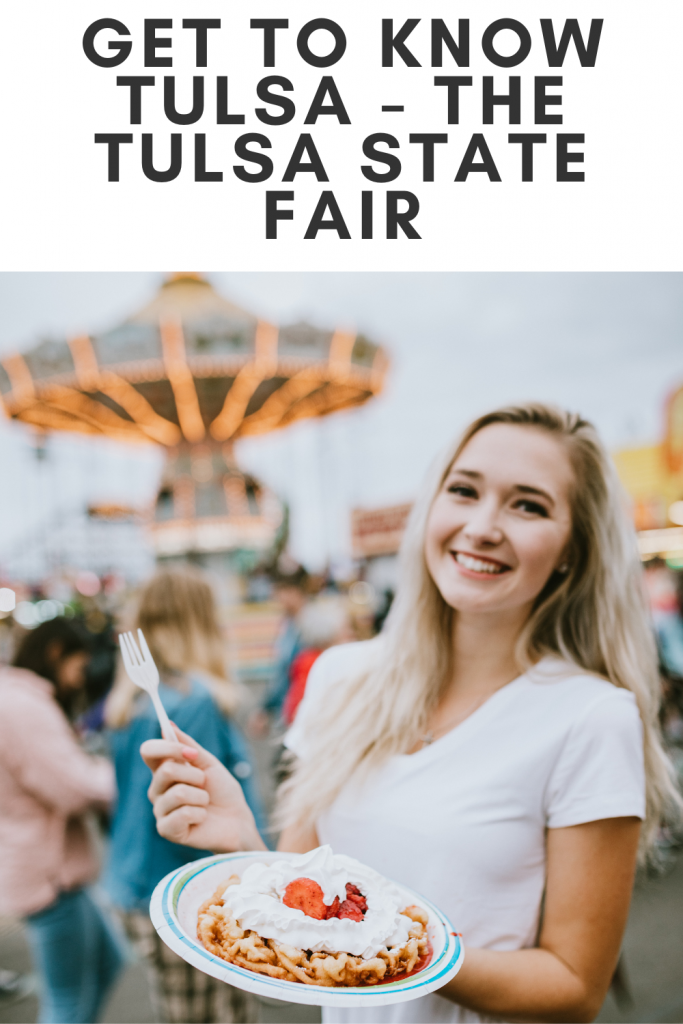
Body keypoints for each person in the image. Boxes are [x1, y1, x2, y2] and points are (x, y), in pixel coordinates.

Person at [141, 404, 681, 1024]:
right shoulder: (343, 677)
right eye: (463, 490)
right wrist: (240, 843)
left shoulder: (592, 717)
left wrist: (397, 950)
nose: (481, 526)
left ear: (572, 549)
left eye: (528, 505)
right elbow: (300, 938)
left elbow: (574, 986)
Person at [104, 567, 262, 1024]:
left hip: (132, 880)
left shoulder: (127, 703)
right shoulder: (197, 703)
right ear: (204, 622)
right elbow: (197, 818)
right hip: (185, 891)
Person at [0, 618, 124, 1024]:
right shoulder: (22, 704)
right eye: (77, 666)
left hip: (53, 869)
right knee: (65, 1001)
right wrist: (127, 777)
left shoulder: (16, 696)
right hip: (48, 875)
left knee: (108, 963)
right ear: (56, 651)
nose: (79, 679)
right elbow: (73, 786)